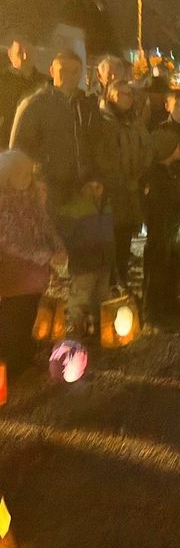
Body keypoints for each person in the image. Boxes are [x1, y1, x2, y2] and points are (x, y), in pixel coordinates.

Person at [0, 150, 66, 375]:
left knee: (32, 313)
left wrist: (57, 247)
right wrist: (44, 255)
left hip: (35, 275)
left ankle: (25, 356)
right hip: (14, 276)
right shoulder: (3, 205)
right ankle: (11, 363)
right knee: (14, 318)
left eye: (28, 174)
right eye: (19, 174)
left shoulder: (34, 200)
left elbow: (45, 225)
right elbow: (11, 242)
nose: (25, 179)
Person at [10, 50, 100, 213]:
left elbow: (93, 144)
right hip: (47, 190)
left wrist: (92, 178)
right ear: (52, 71)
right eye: (63, 70)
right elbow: (18, 151)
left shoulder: (85, 105)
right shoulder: (35, 103)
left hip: (80, 189)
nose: (69, 76)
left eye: (75, 71)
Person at [96, 79, 152, 284]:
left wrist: (139, 175)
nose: (127, 98)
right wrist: (119, 179)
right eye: (122, 94)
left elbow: (146, 148)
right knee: (109, 238)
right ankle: (110, 283)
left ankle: (122, 277)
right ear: (110, 96)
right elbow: (102, 156)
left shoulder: (135, 122)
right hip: (112, 190)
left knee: (125, 236)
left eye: (130, 94)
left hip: (132, 188)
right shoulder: (103, 122)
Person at [56, 172, 115, 340]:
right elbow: (63, 233)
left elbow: (110, 234)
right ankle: (75, 333)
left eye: (98, 186)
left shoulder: (106, 206)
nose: (95, 190)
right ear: (82, 188)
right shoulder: (73, 208)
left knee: (101, 298)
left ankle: (98, 330)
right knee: (80, 299)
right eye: (90, 186)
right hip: (84, 262)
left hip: (104, 261)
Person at [142, 128, 180, 325]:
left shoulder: (174, 170)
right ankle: (153, 308)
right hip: (160, 230)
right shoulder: (155, 176)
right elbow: (157, 205)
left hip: (173, 227)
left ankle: (170, 301)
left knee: (173, 265)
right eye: (177, 146)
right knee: (158, 267)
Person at [0, 33, 47, 147]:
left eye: (28, 52)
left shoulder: (45, 83)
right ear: (10, 55)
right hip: (5, 146)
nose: (25, 57)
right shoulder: (2, 81)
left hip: (35, 147)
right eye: (20, 53)